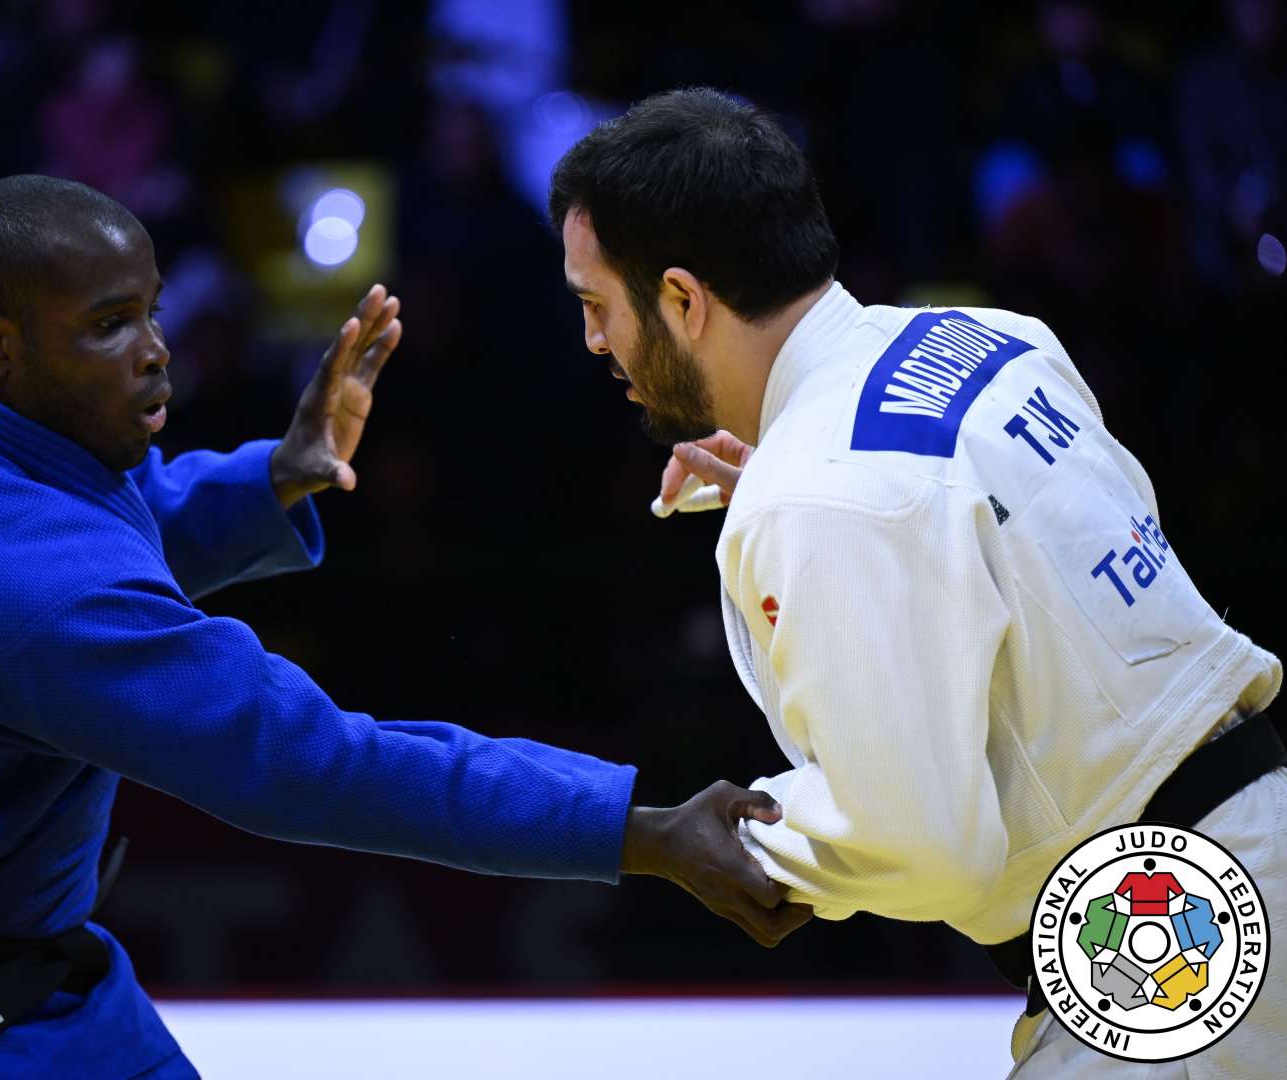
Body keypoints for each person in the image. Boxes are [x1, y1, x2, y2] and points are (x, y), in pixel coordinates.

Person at [0, 174, 807, 1079]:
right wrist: (638, 831)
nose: (156, 351)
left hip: (16, 977)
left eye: (151, 309)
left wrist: (269, 478)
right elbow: (317, 764)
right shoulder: (35, 600)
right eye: (107, 327)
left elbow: (90, 533)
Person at [549, 89, 1284, 1077]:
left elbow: (925, 847)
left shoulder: (820, 493)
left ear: (682, 300)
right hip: (1248, 858)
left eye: (597, 305)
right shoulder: (989, 337)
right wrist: (790, 479)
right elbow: (987, 541)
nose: (595, 341)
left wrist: (731, 842)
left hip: (1172, 935)